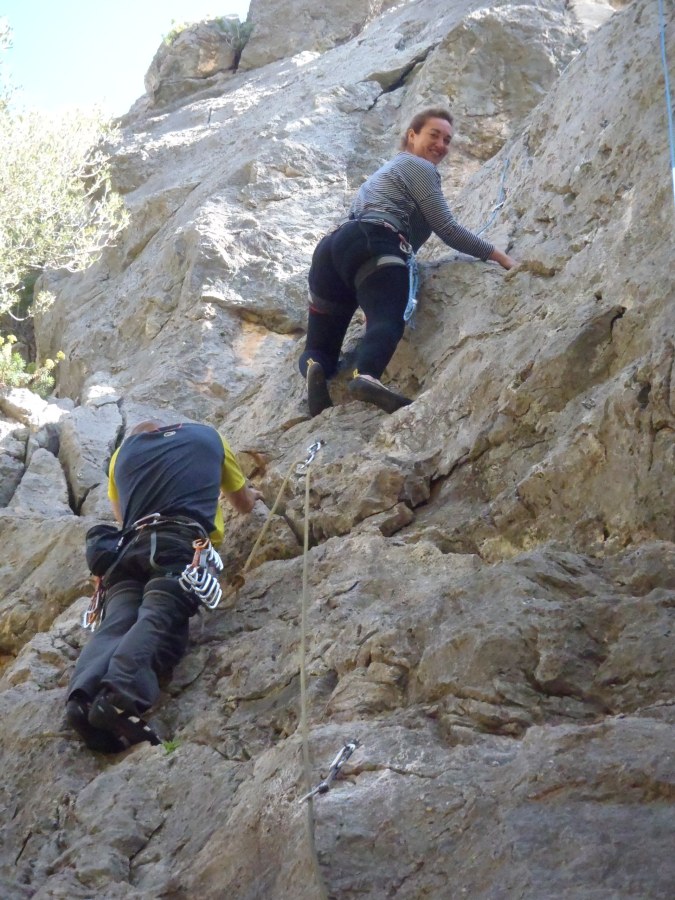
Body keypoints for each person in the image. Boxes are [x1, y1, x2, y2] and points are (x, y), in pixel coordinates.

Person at [299, 108, 517, 415]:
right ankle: (366, 376)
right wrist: (501, 257)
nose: (441, 145)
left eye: (447, 140)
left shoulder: (382, 175)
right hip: (375, 240)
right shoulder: (418, 166)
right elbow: (447, 228)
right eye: (434, 135)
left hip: (330, 252)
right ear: (412, 136)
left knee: (319, 346)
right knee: (387, 318)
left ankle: (316, 367)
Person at [65, 420, 262, 752]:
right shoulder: (209, 437)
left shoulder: (121, 455)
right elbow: (242, 503)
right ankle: (119, 697)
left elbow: (122, 518)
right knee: (160, 616)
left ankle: (81, 700)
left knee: (117, 623)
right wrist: (253, 494)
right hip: (178, 544)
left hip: (127, 551)